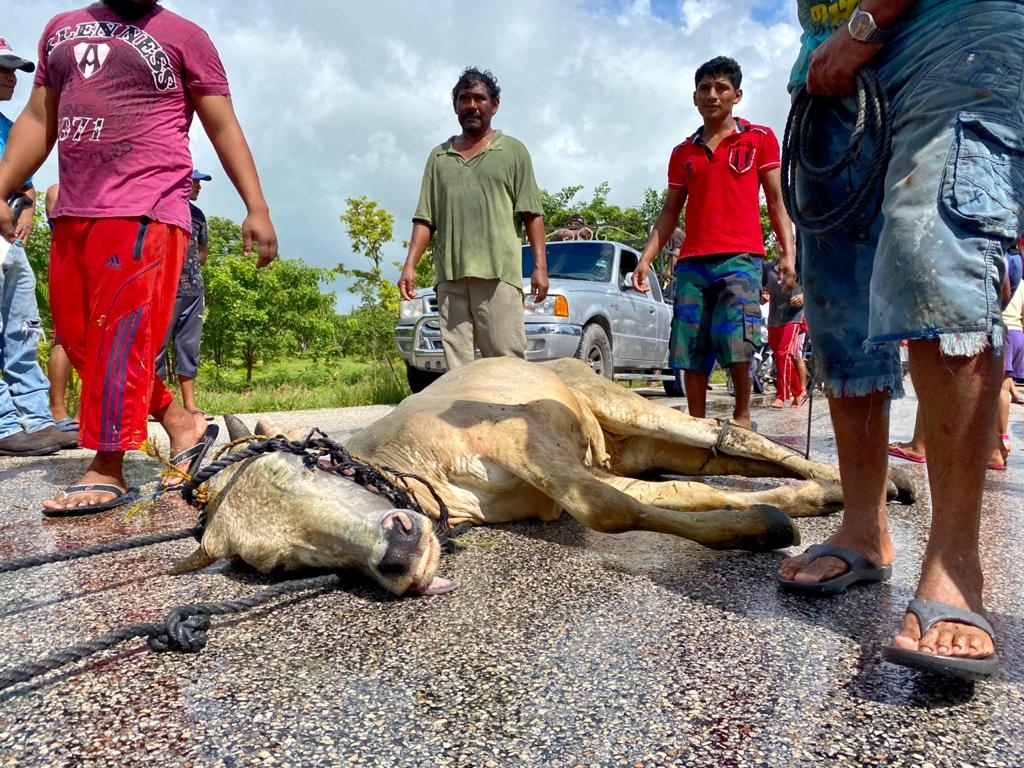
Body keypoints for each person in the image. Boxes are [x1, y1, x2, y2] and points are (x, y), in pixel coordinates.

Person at [776, 1, 1022, 680]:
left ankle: (954, 563)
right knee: (839, 297)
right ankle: (863, 526)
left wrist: (869, 21)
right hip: (824, 60)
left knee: (935, 252)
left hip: (949, 25)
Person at [0, 0, 278, 515]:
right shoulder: (61, 29)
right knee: (80, 341)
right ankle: (181, 422)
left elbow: (221, 125)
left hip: (146, 208)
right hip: (76, 209)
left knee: (117, 338)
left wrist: (255, 206)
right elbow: (40, 116)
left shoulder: (185, 37)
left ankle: (108, 465)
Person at [632, 56, 796, 429]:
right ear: (694, 97)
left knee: (738, 335)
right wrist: (645, 259)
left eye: (721, 88)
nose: (712, 95)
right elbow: (669, 212)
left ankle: (741, 417)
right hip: (692, 263)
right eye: (705, 88)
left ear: (736, 95)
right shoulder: (683, 153)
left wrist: (788, 252)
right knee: (689, 344)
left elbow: (775, 200)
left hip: (741, 257)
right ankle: (696, 424)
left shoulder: (759, 140)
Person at [398, 67, 547, 370]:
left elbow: (532, 214)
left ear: (495, 105)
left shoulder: (513, 152)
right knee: (458, 371)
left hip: (498, 276)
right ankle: (466, 420)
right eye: (464, 99)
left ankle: (512, 419)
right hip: (450, 278)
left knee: (506, 365)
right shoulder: (439, 157)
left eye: (480, 98)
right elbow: (425, 218)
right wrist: (409, 265)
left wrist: (540, 268)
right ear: (455, 107)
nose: (472, 105)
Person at [0, 38, 63, 457]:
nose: (10, 78)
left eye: (15, 70)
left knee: (23, 329)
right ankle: (4, 423)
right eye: (2, 69)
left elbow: (22, 178)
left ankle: (37, 419)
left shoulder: (7, 126)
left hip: (9, 242)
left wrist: (29, 205)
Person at [155, 169, 211, 419]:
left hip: (193, 289)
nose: (199, 187)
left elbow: (203, 250)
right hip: (164, 288)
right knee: (157, 345)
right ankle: (156, 405)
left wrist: (191, 268)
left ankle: (190, 405)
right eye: (195, 183)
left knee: (188, 346)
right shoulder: (161, 209)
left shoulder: (198, 215)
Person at [43, 183, 78, 448]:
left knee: (100, 339)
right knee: (63, 338)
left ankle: (85, 414)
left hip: (102, 263)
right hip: (70, 263)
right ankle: (57, 409)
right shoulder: (58, 189)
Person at [761, 259, 807, 408]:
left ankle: (782, 396)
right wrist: (761, 295)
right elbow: (760, 287)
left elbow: (815, 285)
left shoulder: (801, 263)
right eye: (778, 241)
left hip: (794, 316)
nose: (780, 244)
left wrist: (803, 296)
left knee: (785, 354)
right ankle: (796, 392)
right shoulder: (768, 267)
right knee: (779, 356)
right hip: (775, 317)